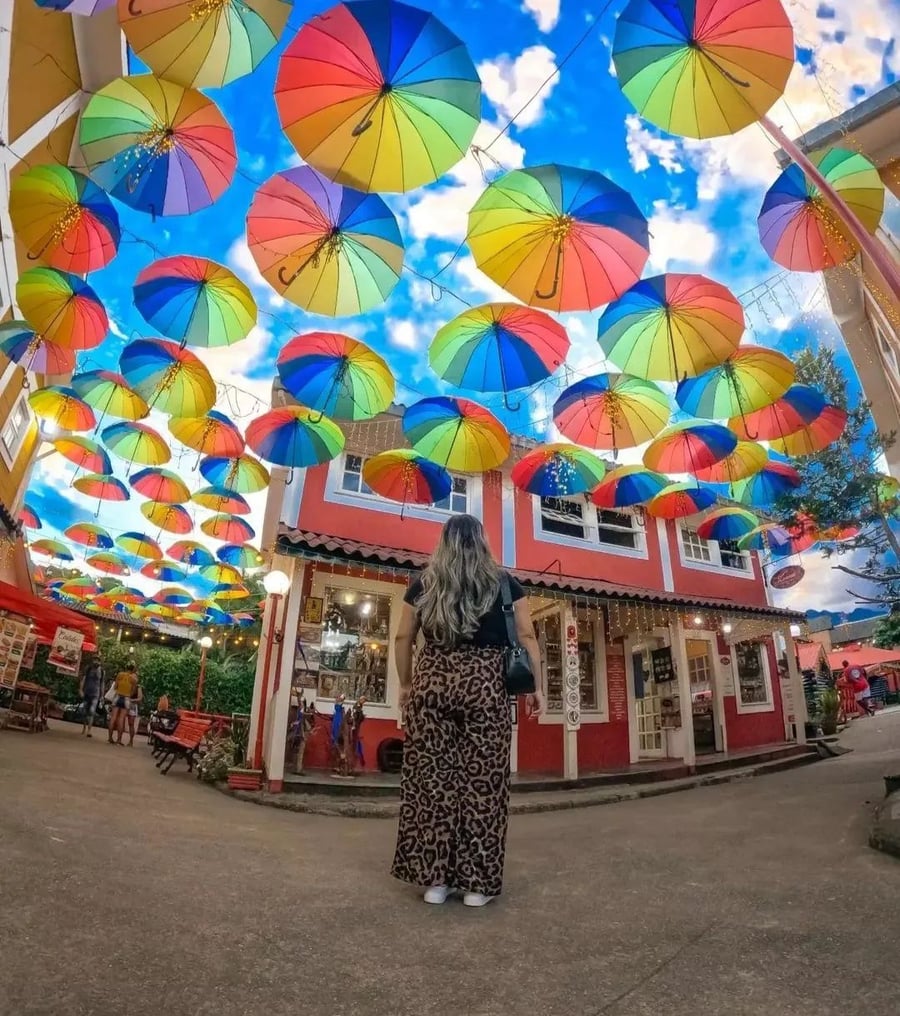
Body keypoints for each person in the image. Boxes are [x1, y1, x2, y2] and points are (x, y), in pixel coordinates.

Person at [391, 514, 543, 908]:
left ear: (443, 542)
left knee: (433, 786)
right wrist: (537, 686)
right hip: (486, 687)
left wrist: (407, 685)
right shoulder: (505, 583)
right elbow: (526, 635)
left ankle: (435, 882)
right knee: (484, 786)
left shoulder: (423, 583)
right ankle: (478, 884)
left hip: (432, 684)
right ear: (483, 540)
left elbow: (403, 637)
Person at [108, 663, 138, 746]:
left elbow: (115, 687)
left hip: (118, 696)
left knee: (113, 717)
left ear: (126, 668)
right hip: (126, 698)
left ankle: (110, 737)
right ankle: (119, 740)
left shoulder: (120, 675)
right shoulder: (134, 679)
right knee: (121, 719)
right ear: (133, 670)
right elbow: (133, 691)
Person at [78, 656, 104, 738]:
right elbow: (83, 680)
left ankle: (89, 730)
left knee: (92, 711)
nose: (96, 662)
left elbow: (102, 683)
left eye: (98, 660)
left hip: (96, 693)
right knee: (85, 711)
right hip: (87, 692)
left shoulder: (102, 671)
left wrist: (102, 695)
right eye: (95, 660)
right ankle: (84, 727)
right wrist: (81, 690)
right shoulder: (88, 669)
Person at [125, 672, 144, 746]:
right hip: (125, 703)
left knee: (131, 723)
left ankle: (131, 741)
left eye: (135, 677)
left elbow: (140, 698)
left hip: (132, 705)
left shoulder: (138, 687)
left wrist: (130, 700)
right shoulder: (126, 684)